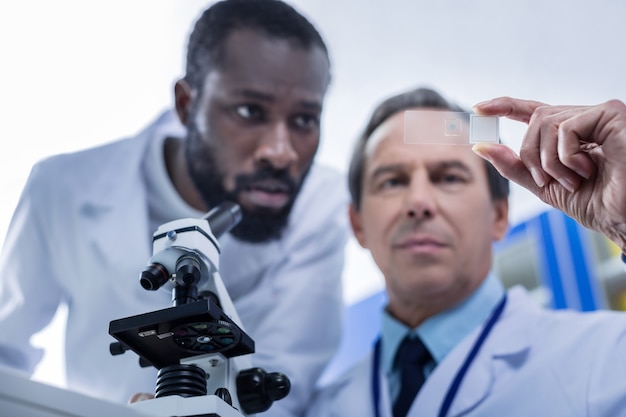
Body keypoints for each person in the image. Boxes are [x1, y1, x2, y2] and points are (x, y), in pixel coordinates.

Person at [0, 1, 350, 416]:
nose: (280, 152)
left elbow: (283, 374)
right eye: (249, 111)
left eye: (304, 120)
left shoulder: (322, 205)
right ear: (186, 105)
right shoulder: (62, 189)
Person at [304, 87, 626, 417]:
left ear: (499, 216)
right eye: (392, 182)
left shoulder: (608, 360)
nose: (418, 202)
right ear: (357, 225)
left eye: (449, 178)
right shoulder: (321, 409)